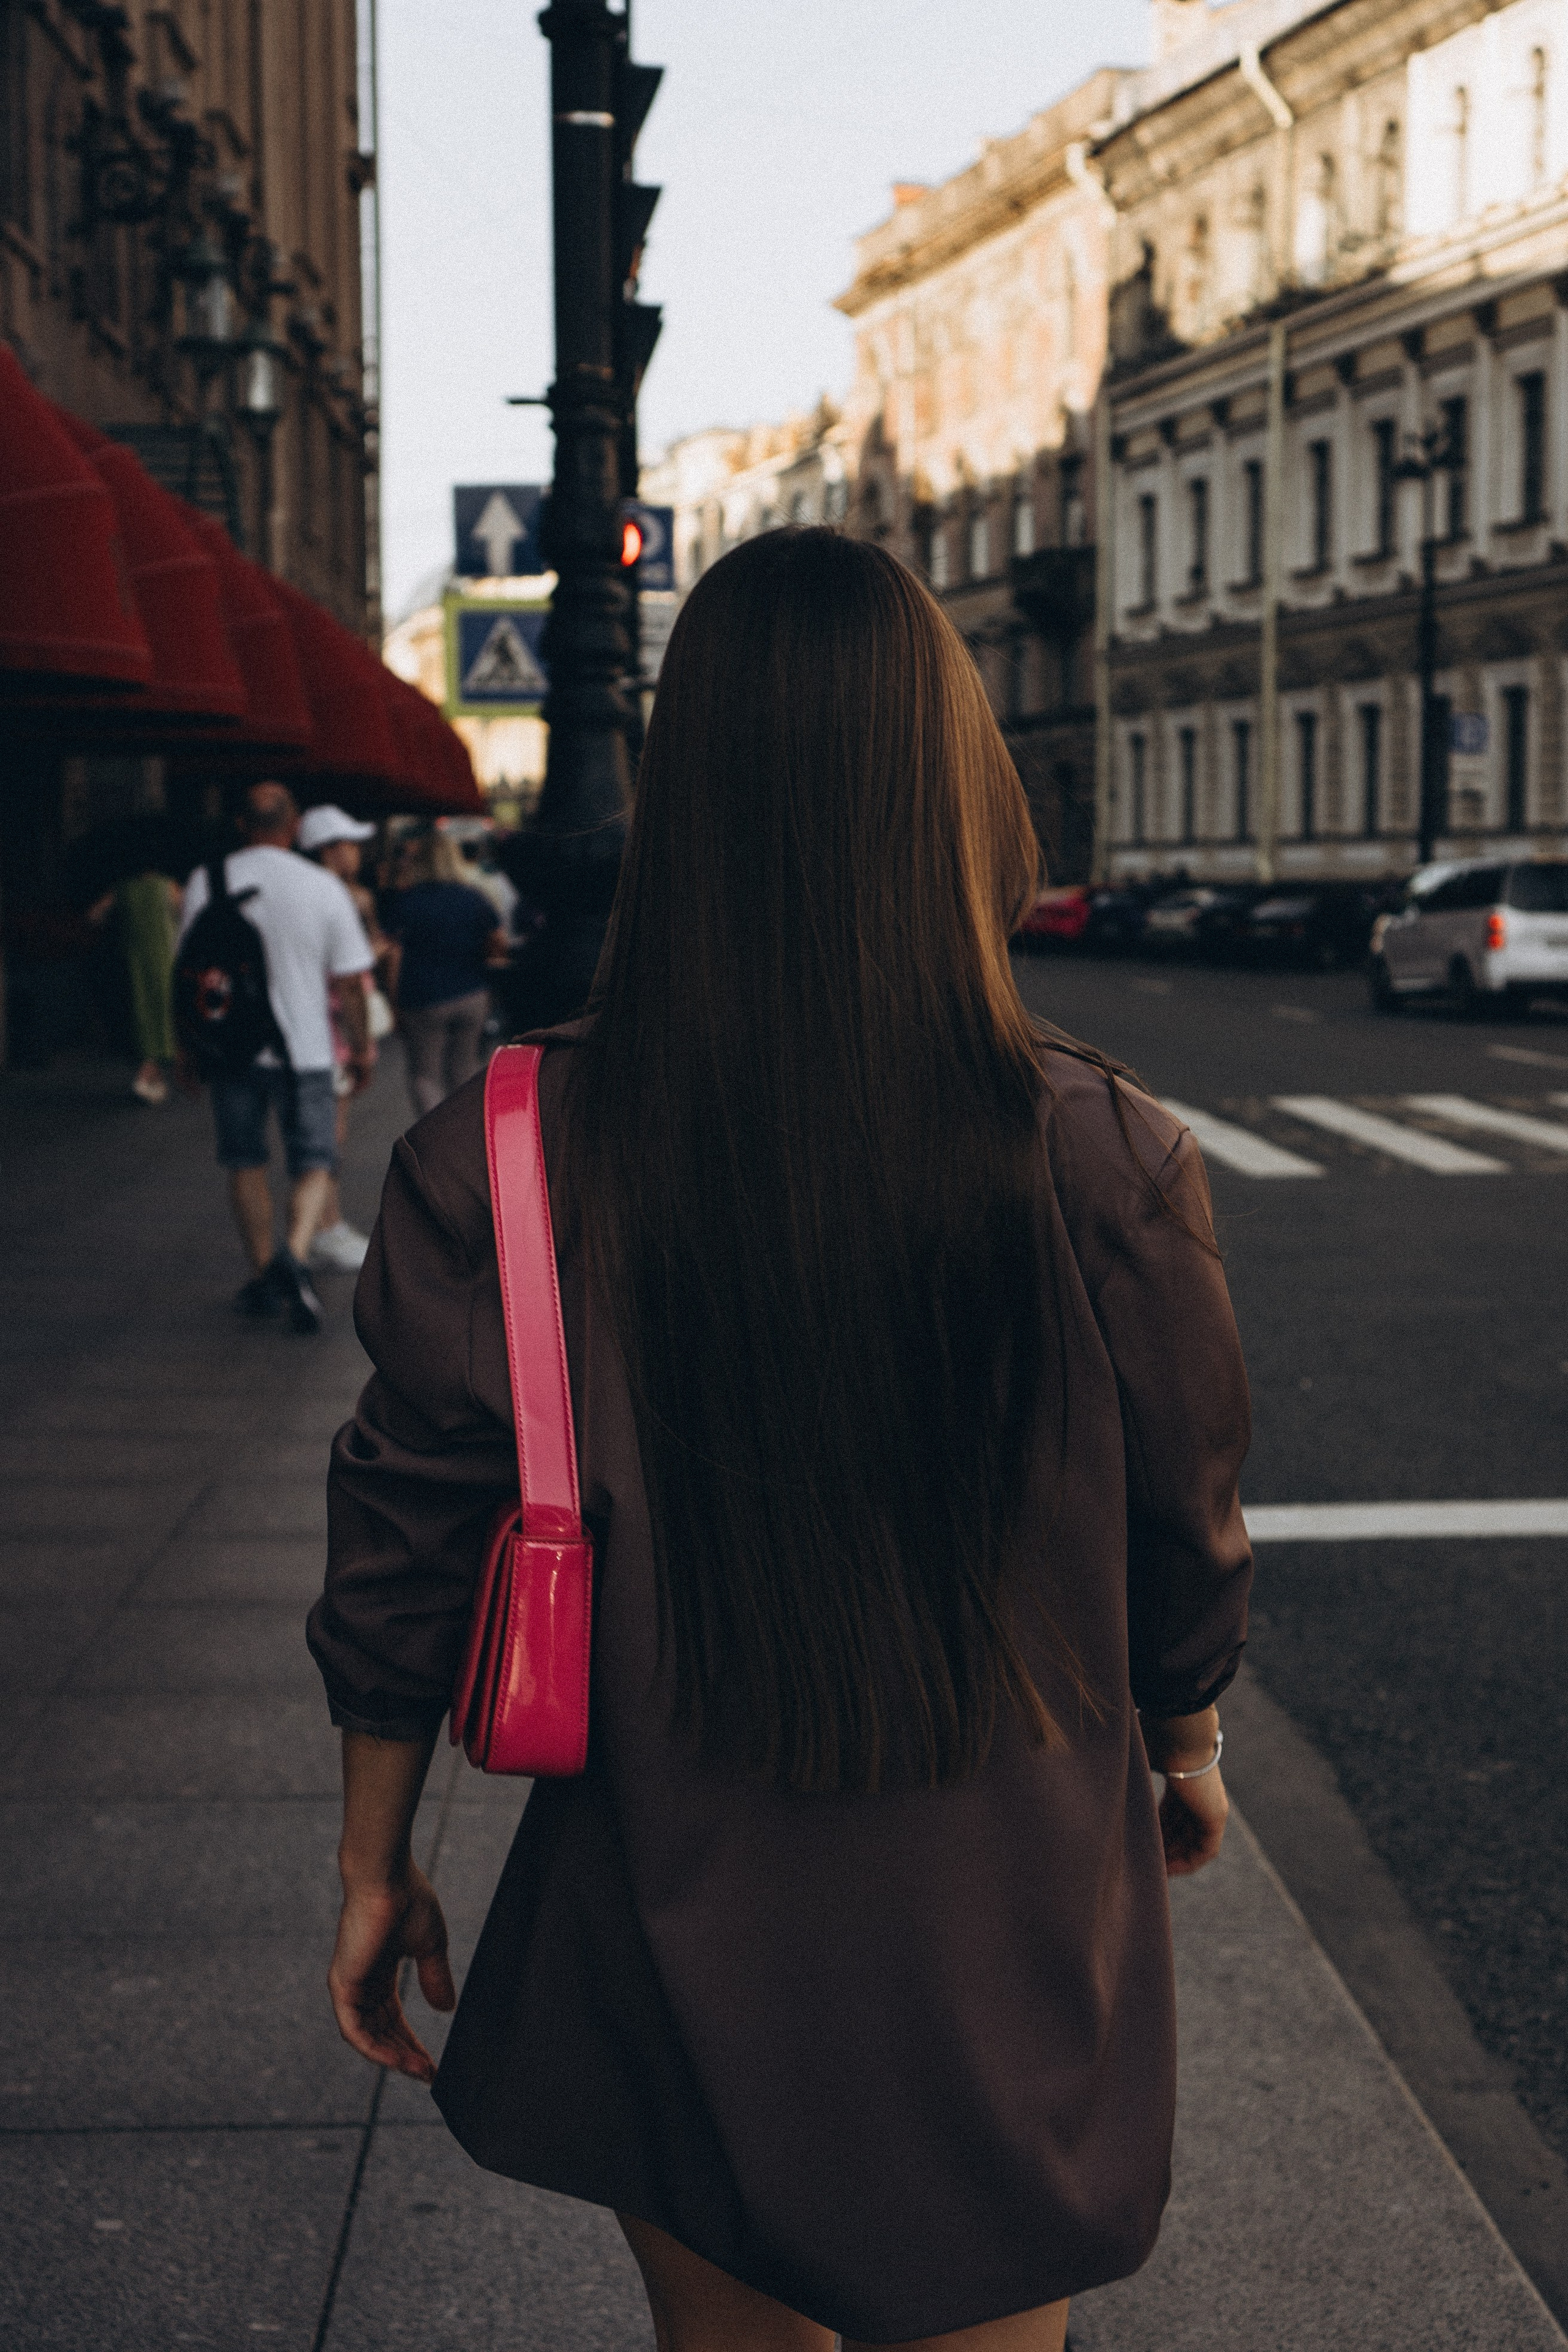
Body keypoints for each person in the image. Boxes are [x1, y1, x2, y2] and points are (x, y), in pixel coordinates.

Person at [308, 532, 1252, 2351]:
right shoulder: (1099, 1146)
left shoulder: (508, 1140)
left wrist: (374, 1851)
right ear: (954, 784)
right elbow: (1183, 1513)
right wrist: (1188, 1729)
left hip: (663, 1891)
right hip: (1002, 1889)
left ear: (687, 796)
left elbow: (405, 1539)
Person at [179, 782, 376, 1335]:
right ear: (295, 829)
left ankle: (266, 1271)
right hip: (308, 1050)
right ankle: (294, 1257)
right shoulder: (322, 887)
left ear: (241, 825)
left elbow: (188, 975)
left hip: (231, 1049)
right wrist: (360, 1048)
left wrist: (184, 1051)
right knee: (316, 1161)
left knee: (244, 1161)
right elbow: (351, 984)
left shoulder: (206, 881)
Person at [297, 804, 394, 1274]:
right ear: (328, 850)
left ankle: (325, 1225)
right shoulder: (339, 898)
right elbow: (347, 976)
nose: (355, 854)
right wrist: (362, 1048)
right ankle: (325, 1227)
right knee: (329, 1134)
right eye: (348, 844)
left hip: (325, 1023)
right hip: (332, 1026)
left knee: (329, 1131)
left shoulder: (327, 895)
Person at [380, 827, 508, 1117]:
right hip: (471, 993)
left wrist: (394, 1000)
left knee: (427, 1075)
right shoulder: (472, 897)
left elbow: (393, 954)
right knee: (465, 1068)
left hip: (423, 999)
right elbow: (498, 941)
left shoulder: (407, 901)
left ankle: (436, 1145)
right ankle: (466, 1135)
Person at [86, 865, 182, 1103]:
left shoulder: (122, 889)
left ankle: (152, 1078)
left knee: (141, 1014)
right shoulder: (167, 886)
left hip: (132, 961)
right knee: (165, 1015)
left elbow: (93, 916)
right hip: (164, 960)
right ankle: (148, 1075)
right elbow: (188, 912)